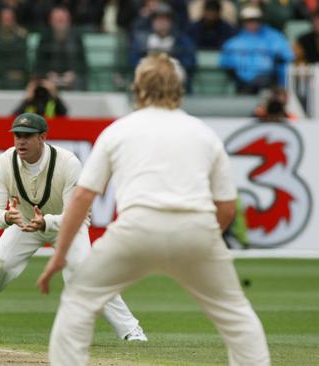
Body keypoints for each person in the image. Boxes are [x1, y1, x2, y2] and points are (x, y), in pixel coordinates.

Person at [37, 53, 270, 366]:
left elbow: (82, 198)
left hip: (136, 230)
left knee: (79, 302)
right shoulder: (203, 132)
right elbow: (226, 207)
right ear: (179, 88)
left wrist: (59, 255)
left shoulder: (118, 130)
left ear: (137, 89)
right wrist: (201, 243)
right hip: (196, 230)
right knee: (238, 318)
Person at [0, 112, 147, 343]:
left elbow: (77, 214)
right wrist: (7, 217)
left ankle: (131, 330)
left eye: (28, 136)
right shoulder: (3, 162)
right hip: (24, 223)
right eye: (17, 135)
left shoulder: (68, 162)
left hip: (66, 224)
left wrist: (47, 222)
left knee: (84, 270)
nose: (21, 141)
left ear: (42, 137)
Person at [220, 6, 294, 94]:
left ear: (261, 21)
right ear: (243, 22)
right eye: (248, 21)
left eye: (255, 20)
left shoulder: (274, 37)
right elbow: (227, 64)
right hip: (242, 82)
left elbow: (287, 56)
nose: (252, 23)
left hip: (269, 80)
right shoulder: (234, 42)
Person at [35, 6, 87, 90]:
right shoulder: (45, 38)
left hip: (72, 79)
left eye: (62, 20)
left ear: (69, 21)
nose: (60, 24)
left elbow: (83, 64)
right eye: (57, 21)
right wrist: (48, 74)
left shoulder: (76, 38)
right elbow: (39, 64)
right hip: (50, 78)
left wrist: (73, 74)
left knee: (79, 83)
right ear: (51, 22)